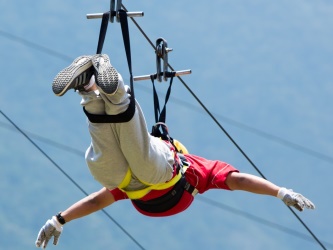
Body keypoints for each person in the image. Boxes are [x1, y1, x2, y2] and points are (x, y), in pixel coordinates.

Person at [35, 54, 315, 249]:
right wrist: (279, 191)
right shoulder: (195, 169)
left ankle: (88, 86)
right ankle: (113, 86)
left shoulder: (127, 189)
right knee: (132, 141)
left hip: (125, 181)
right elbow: (238, 180)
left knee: (102, 151)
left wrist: (59, 219)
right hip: (160, 175)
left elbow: (96, 202)